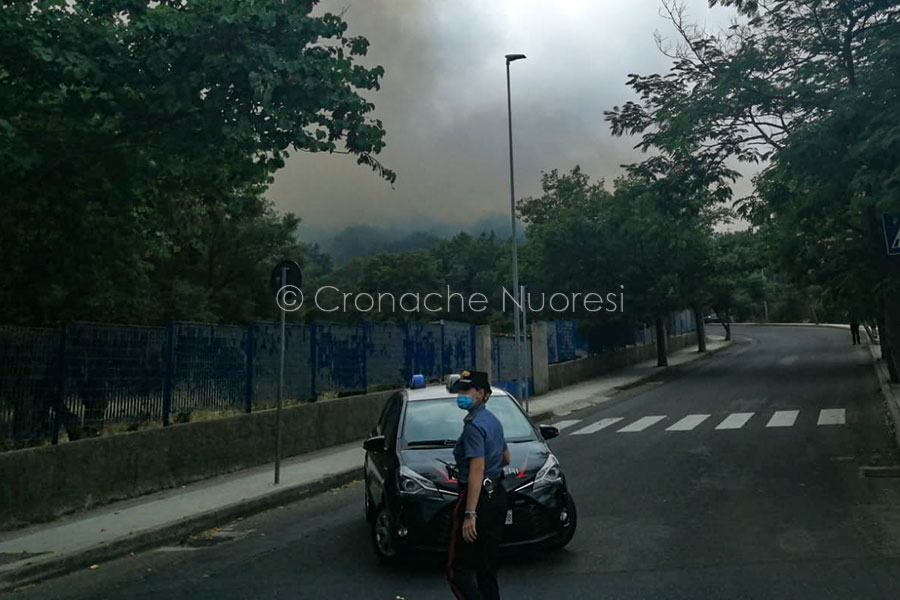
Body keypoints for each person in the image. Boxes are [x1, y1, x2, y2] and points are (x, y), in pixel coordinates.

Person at [446, 370, 510, 600]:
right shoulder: (492, 420)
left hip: (477, 497)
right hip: (497, 495)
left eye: (466, 390)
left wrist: (470, 513)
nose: (460, 394)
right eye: (459, 390)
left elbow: (476, 469)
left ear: (481, 393)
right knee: (486, 568)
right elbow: (506, 458)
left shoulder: (473, 426)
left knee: (458, 570)